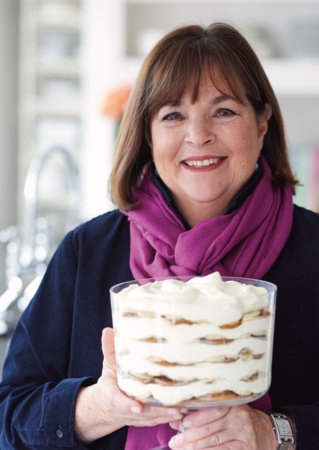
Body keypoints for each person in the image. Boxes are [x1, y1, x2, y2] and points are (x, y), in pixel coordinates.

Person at [0, 22, 319, 450]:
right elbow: (9, 415)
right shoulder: (87, 253)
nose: (198, 135)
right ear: (147, 134)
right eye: (172, 115)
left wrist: (278, 432)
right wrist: (99, 408)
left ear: (262, 123)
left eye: (223, 111)